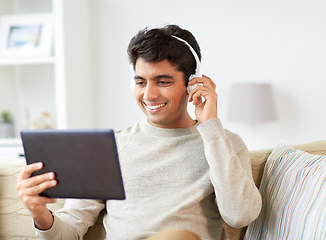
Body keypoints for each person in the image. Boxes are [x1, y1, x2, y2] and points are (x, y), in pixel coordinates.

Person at [16, 24, 262, 240]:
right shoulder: (108, 148)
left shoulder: (223, 143)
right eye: (141, 82)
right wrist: (40, 214)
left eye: (163, 82)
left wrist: (210, 127)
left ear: (192, 83)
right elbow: (69, 233)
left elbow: (240, 215)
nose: (149, 95)